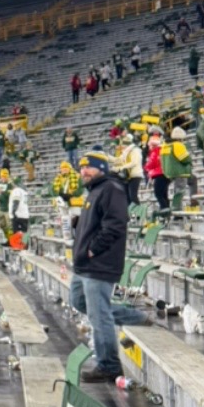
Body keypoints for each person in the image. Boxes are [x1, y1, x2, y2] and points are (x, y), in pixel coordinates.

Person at [70, 151, 128, 382]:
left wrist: (92, 249)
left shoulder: (111, 188)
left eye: (89, 167)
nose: (83, 171)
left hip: (99, 264)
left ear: (101, 168)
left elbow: (115, 225)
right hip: (84, 265)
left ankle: (109, 366)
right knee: (78, 301)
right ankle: (130, 316)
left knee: (98, 316)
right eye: (81, 168)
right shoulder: (94, 190)